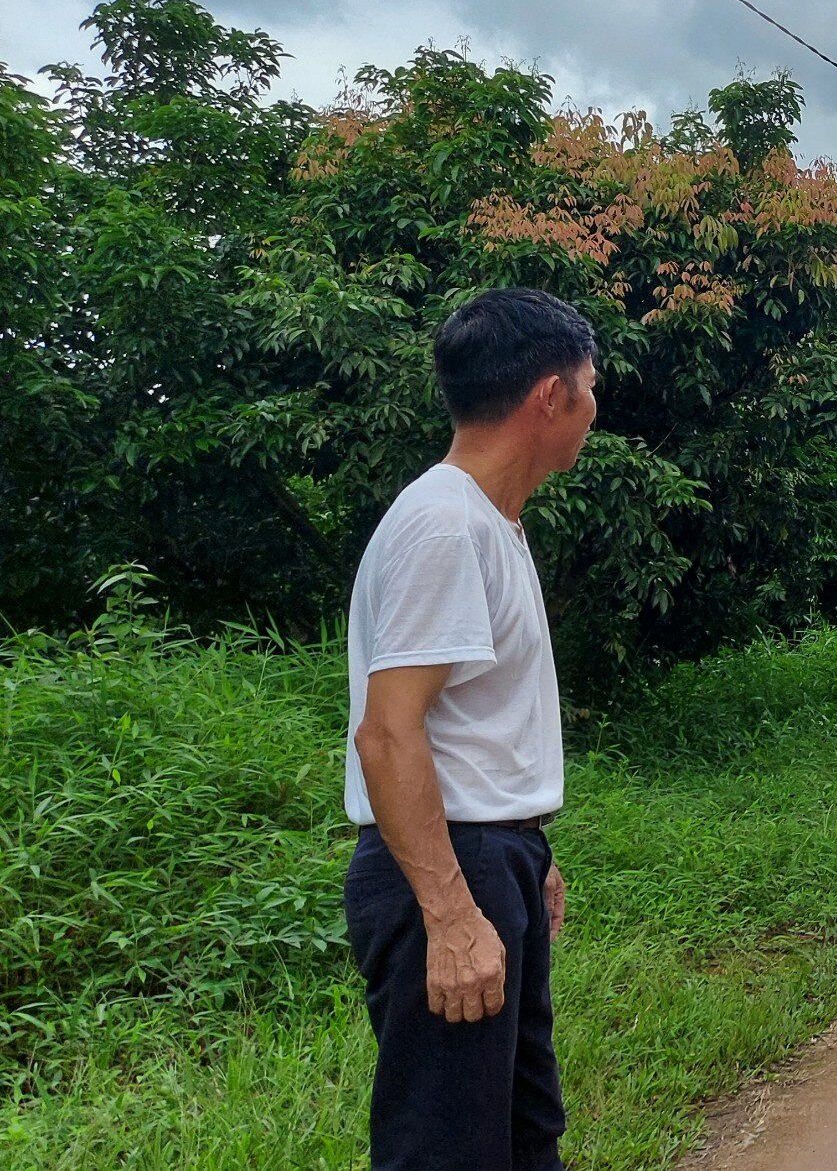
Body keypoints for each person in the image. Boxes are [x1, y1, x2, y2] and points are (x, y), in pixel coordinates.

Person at [343, 287, 599, 1171]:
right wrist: (452, 915)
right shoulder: (445, 525)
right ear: (549, 397)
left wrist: (529, 845)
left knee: (525, 1137)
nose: (592, 411)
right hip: (446, 873)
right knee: (446, 1152)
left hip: (491, 855)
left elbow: (472, 725)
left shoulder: (492, 524)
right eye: (589, 388)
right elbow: (386, 734)